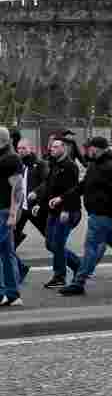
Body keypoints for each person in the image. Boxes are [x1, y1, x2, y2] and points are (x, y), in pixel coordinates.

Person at [58, 137, 112, 297]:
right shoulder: (95, 166)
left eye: (88, 148)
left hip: (103, 214)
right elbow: (83, 186)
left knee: (91, 247)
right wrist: (63, 198)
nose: (86, 151)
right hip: (104, 215)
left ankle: (79, 282)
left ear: (96, 149)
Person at [35, 135, 83, 288]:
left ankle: (59, 276)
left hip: (68, 212)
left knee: (58, 244)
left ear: (64, 148)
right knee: (51, 244)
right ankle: (79, 266)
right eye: (51, 147)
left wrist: (66, 210)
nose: (52, 149)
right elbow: (48, 186)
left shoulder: (70, 167)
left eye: (56, 147)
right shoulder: (54, 164)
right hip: (53, 211)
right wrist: (39, 203)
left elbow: (73, 191)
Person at [0, 128, 26, 306]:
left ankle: (3, 293)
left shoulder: (10, 158)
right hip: (4, 212)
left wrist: (12, 214)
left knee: (6, 254)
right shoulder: (5, 156)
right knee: (7, 253)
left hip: (3, 212)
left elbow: (17, 189)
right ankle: (13, 294)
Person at [13, 138, 48, 249]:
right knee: (10, 238)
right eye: (19, 148)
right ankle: (17, 265)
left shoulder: (40, 164)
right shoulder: (17, 164)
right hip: (21, 208)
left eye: (24, 148)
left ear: (31, 148)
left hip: (35, 208)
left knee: (51, 240)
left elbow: (47, 182)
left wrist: (36, 192)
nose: (21, 150)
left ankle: (75, 263)